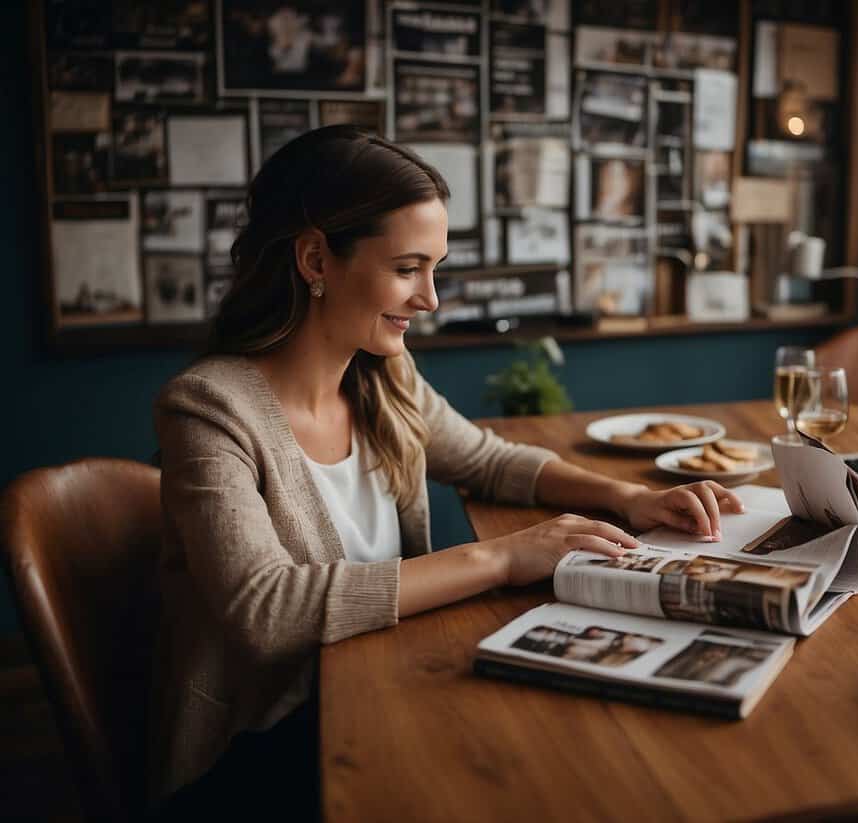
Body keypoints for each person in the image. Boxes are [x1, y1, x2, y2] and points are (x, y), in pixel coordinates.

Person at [149, 125, 743, 819]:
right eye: (407, 269)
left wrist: (631, 497)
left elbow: (488, 459)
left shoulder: (382, 373)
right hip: (264, 745)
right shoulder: (209, 408)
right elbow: (266, 610)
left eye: (435, 267)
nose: (430, 298)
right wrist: (500, 557)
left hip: (381, 682)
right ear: (315, 258)